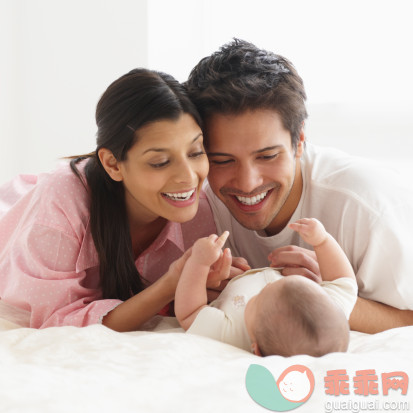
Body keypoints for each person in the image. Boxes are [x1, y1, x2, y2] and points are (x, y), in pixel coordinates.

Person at [184, 39, 413, 334]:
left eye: (267, 156)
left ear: (299, 141)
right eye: (223, 160)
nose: (247, 183)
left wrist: (324, 296)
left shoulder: (366, 207)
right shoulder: (201, 202)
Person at [0, 68, 247, 331]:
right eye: (160, 162)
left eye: (196, 152)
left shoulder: (199, 212)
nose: (188, 177)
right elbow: (58, 321)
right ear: (112, 164)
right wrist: (171, 283)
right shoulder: (62, 205)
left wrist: (208, 283)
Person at [175, 218, 357, 356]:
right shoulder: (331, 308)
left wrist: (199, 263)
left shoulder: (232, 334)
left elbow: (190, 313)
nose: (269, 284)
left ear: (257, 350)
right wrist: (322, 241)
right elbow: (343, 280)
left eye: (261, 296)